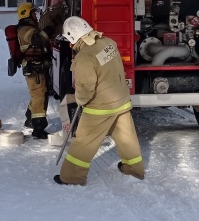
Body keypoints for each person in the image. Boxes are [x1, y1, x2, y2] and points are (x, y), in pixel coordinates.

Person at [54, 16, 144, 186]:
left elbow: (86, 87)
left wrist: (80, 100)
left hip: (100, 107)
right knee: (127, 138)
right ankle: (134, 169)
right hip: (121, 101)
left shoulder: (84, 57)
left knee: (84, 142)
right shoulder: (108, 42)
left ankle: (72, 177)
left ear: (72, 37)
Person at [16, 3, 51, 139]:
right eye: (33, 13)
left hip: (37, 67)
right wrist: (49, 28)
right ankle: (38, 127)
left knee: (40, 94)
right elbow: (38, 40)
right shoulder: (24, 29)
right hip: (33, 68)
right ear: (26, 14)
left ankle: (29, 117)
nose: (35, 16)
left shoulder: (29, 27)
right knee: (39, 96)